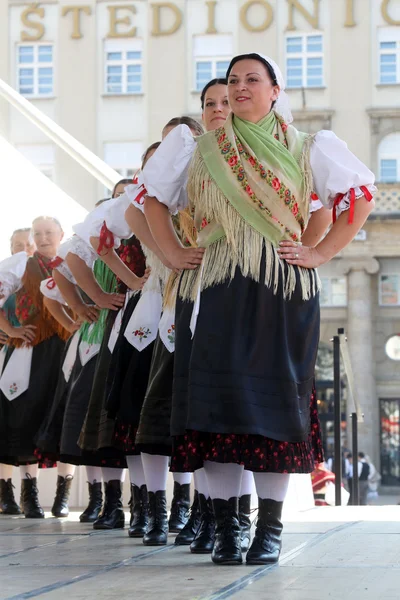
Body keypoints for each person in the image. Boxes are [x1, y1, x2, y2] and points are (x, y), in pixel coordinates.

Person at [140, 52, 375, 565]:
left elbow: (358, 197)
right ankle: (228, 529)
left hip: (280, 291)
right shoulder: (194, 148)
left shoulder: (309, 146)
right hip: (216, 285)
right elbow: (149, 202)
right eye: (232, 80)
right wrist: (174, 254)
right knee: (216, 410)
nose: (240, 87)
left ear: (274, 90)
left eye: (252, 79)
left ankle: (268, 528)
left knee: (272, 410)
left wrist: (318, 253)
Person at [0, 217, 78, 518]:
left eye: (48, 233)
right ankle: (29, 494)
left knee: (63, 415)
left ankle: (62, 496)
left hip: (65, 347)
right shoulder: (22, 265)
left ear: (60, 235)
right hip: (32, 350)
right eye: (38, 234)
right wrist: (13, 330)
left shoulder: (72, 263)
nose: (43, 238)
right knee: (26, 417)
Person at [0, 227, 36, 515]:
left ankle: (30, 492)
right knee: (6, 423)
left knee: (29, 422)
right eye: (17, 245)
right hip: (6, 355)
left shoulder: (44, 274)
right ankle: (5, 492)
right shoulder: (6, 275)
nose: (23, 249)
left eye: (28, 244)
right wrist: (8, 329)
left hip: (37, 354)